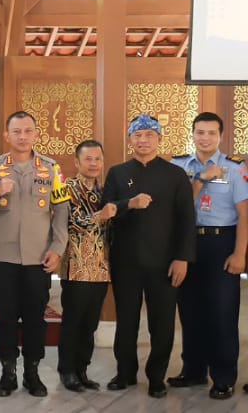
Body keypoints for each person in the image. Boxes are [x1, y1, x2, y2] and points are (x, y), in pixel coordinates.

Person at [0, 110, 69, 397]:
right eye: (17, 131)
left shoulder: (51, 169)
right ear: (7, 135)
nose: (23, 136)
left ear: (36, 134)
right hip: (2, 257)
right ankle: (7, 373)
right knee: (4, 317)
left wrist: (57, 249)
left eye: (28, 131)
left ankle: (32, 372)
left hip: (38, 257)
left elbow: (61, 212)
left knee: (35, 317)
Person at [102, 113, 195, 398]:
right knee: (126, 321)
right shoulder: (118, 173)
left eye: (149, 135)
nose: (143, 140)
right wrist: (129, 203)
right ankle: (125, 372)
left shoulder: (175, 174)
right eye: (137, 135)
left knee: (162, 323)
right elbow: (107, 211)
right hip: (126, 262)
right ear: (130, 139)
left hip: (164, 263)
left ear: (159, 139)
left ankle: (157, 377)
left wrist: (182, 258)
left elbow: (186, 220)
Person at [167, 112, 248, 400]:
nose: (205, 138)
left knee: (222, 314)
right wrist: (200, 178)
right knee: (190, 311)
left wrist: (240, 254)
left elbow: (243, 214)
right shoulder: (178, 166)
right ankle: (193, 370)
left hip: (221, 243)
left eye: (211, 133)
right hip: (187, 244)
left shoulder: (235, 168)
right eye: (200, 132)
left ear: (220, 136)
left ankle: (224, 377)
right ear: (192, 133)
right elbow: (177, 208)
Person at [57, 140, 117, 392]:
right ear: (77, 162)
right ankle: (67, 370)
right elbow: (69, 222)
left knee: (91, 322)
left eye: (98, 159)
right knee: (73, 319)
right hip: (76, 265)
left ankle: (82, 369)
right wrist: (99, 216)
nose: (94, 164)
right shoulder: (65, 188)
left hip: (101, 267)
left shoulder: (106, 191)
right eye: (88, 159)